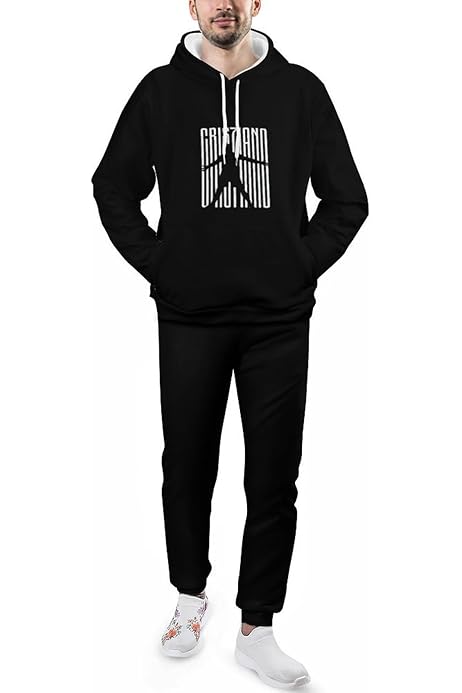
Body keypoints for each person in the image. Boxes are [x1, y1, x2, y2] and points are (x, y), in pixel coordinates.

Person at [91, 0, 368, 687]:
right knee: (186, 466)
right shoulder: (160, 91)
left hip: (279, 321)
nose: (225, 4)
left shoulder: (300, 91)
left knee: (274, 475)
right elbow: (112, 186)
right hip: (189, 318)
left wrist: (298, 265)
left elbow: (348, 199)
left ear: (256, 3)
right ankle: (190, 598)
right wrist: (162, 265)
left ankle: (257, 628)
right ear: (192, 4)